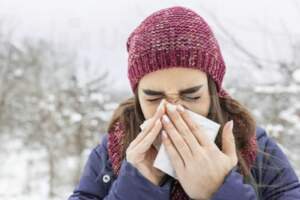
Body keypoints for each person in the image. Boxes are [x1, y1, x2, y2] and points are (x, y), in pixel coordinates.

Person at [68, 6, 300, 200]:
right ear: (137, 97)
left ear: (212, 91)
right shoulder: (112, 149)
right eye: (153, 98)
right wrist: (137, 185)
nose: (173, 110)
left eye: (192, 96)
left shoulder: (253, 143)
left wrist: (220, 188)